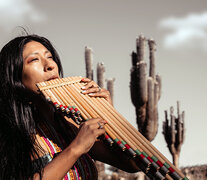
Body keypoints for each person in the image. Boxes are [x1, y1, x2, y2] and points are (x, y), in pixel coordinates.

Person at [0, 34, 140, 180]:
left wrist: (109, 114)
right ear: (15, 79)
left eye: (50, 57)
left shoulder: (69, 124)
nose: (50, 65)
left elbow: (133, 164)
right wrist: (76, 148)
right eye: (34, 59)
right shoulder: (9, 132)